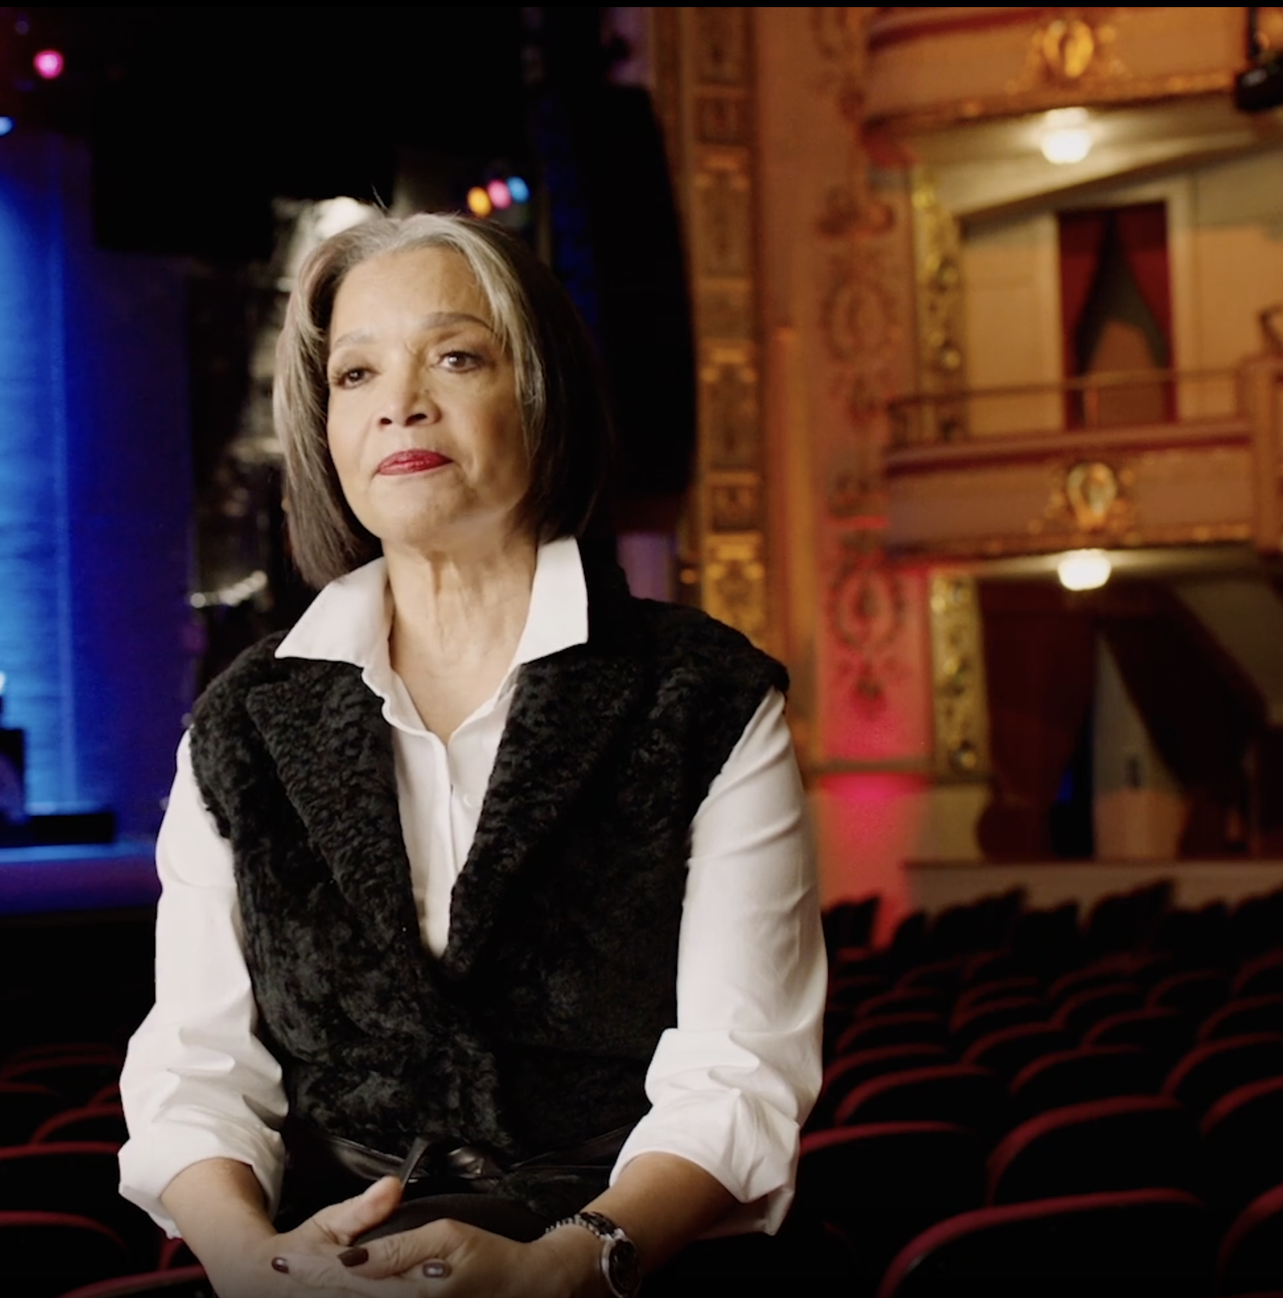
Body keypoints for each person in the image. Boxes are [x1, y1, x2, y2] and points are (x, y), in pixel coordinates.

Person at [117, 211, 823, 1298]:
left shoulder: (705, 697)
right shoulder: (243, 720)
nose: (399, 399)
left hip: (623, 1263)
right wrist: (247, 1258)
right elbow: (196, 1069)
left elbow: (738, 1069)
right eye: (354, 374)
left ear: (539, 393)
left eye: (455, 355)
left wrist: (567, 1265)